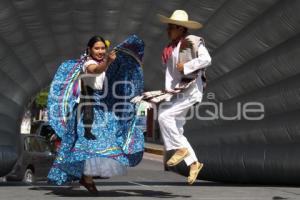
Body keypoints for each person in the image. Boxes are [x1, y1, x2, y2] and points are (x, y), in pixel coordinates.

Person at [47, 35, 145, 193]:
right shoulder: (88, 64)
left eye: (102, 48)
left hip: (99, 109)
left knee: (101, 143)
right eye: (96, 48)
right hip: (85, 111)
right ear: (89, 49)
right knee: (88, 144)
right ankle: (85, 178)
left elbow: (108, 74)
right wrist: (108, 61)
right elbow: (96, 70)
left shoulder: (103, 63)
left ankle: (86, 177)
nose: (100, 51)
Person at [157, 10, 212, 185]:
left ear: (181, 28)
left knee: (164, 117)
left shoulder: (192, 41)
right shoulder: (171, 47)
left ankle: (179, 149)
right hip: (178, 93)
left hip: (190, 91)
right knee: (177, 130)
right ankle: (194, 163)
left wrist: (187, 66)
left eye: (171, 27)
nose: (168, 30)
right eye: (168, 27)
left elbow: (207, 59)